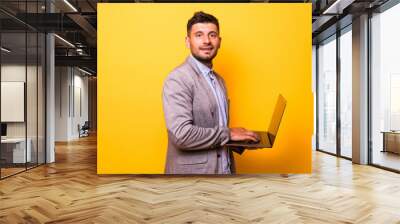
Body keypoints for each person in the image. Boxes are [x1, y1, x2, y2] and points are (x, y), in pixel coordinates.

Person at [162, 11, 259, 174]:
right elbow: (181, 135)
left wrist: (241, 140)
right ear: (188, 41)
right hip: (193, 181)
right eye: (199, 35)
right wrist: (229, 134)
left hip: (224, 172)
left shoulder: (219, 81)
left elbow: (216, 131)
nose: (206, 41)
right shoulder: (178, 79)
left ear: (219, 41)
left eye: (212, 35)